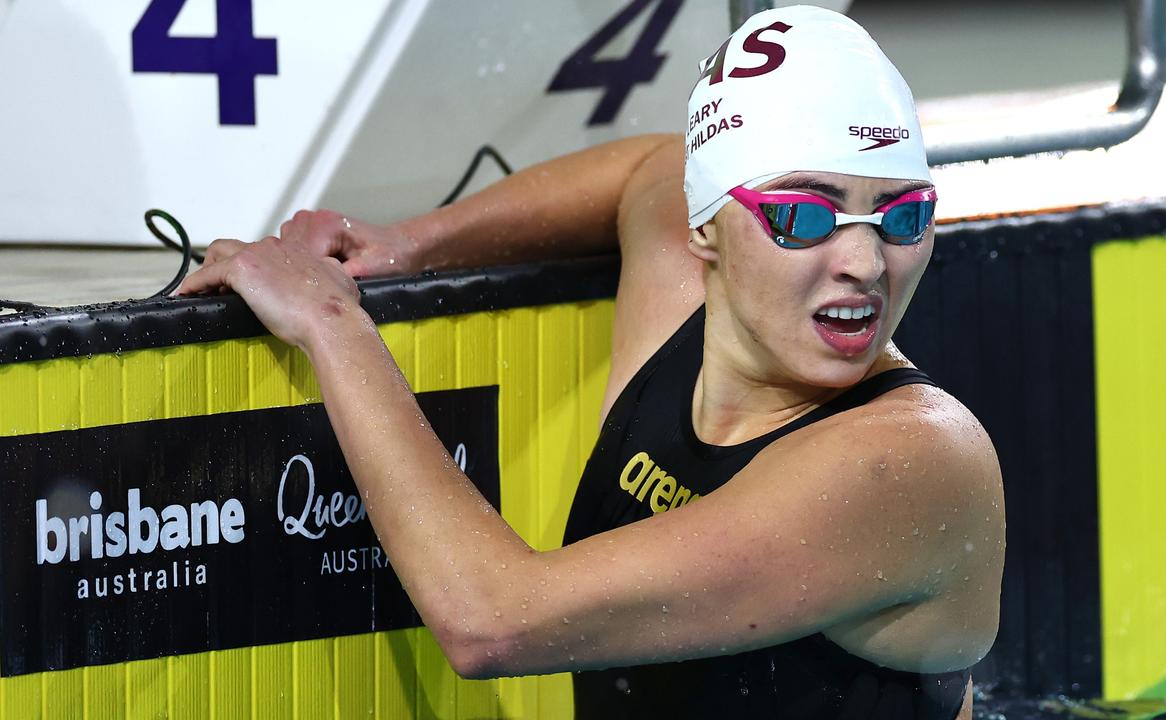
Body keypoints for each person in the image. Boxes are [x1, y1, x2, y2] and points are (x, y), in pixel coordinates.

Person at [179, 6, 1004, 718]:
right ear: (704, 227)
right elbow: (646, 168)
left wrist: (330, 317)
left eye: (902, 216)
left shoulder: (910, 461)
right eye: (801, 216)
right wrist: (406, 244)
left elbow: (494, 618)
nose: (864, 261)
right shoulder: (680, 299)